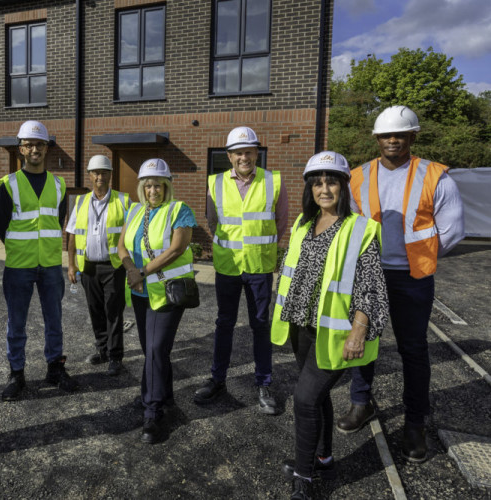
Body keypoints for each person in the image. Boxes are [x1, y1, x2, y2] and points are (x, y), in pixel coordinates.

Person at [338, 105, 464, 462]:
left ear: (412, 136)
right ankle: (362, 403)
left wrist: (421, 255)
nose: (392, 140)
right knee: (362, 341)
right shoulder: (357, 176)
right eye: (385, 135)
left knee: (413, 350)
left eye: (399, 134)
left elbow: (453, 231)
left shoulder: (435, 176)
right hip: (368, 274)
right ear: (377, 139)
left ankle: (414, 423)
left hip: (412, 278)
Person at [271, 151, 389, 500]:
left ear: (343, 187)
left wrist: (359, 330)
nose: (325, 189)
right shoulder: (302, 225)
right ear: (310, 189)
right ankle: (323, 456)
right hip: (301, 327)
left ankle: (305, 479)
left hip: (336, 333)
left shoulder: (360, 228)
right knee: (318, 398)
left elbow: (371, 285)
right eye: (318, 183)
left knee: (304, 399)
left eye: (332, 182)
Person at [194, 126, 288, 415]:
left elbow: (281, 222)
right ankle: (218, 380)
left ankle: (264, 384)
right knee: (224, 324)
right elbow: (212, 221)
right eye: (238, 152)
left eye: (249, 151)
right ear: (229, 155)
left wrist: (261, 248)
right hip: (228, 266)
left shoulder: (273, 181)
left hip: (259, 266)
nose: (244, 157)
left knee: (260, 325)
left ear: (256, 153)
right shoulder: (215, 183)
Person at [0, 120, 77, 401]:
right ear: (21, 149)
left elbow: (58, 220)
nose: (34, 149)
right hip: (19, 266)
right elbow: (0, 224)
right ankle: (16, 373)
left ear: (47, 148)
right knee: (16, 323)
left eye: (39, 144)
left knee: (54, 319)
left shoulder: (58, 184)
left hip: (51, 265)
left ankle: (55, 367)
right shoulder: (9, 184)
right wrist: (19, 249)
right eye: (29, 144)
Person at [117, 158, 197, 444]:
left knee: (154, 348)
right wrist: (130, 270)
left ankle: (152, 412)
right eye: (148, 185)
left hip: (167, 292)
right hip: (140, 292)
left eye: (159, 185)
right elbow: (122, 245)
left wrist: (142, 272)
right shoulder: (135, 210)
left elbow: (177, 249)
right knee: (153, 350)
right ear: (142, 187)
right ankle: (167, 396)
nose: (153, 190)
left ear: (167, 186)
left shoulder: (179, 209)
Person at [66, 155, 130, 376]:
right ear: (90, 175)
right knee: (95, 311)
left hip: (113, 267)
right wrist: (71, 265)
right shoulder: (81, 201)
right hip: (88, 267)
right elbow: (72, 235)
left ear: (110, 175)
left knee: (113, 312)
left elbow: (132, 234)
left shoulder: (123, 201)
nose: (100, 176)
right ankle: (102, 350)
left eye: (104, 172)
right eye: (96, 172)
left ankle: (115, 357)